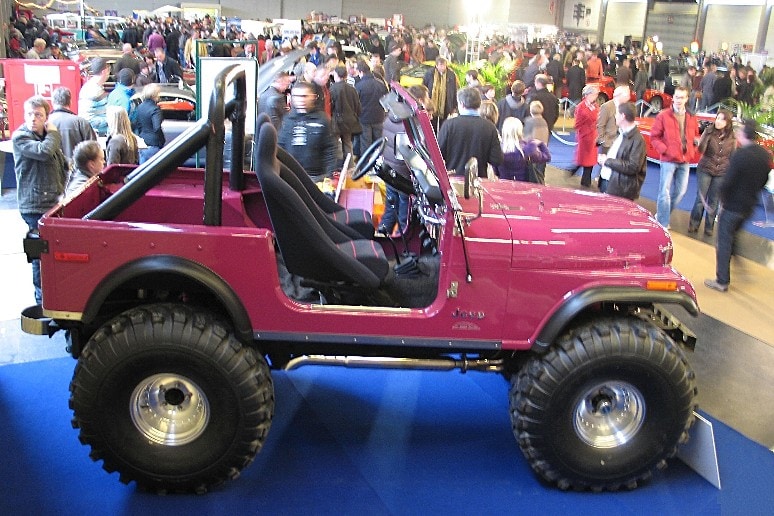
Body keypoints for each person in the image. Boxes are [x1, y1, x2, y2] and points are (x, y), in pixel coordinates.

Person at [12, 95, 69, 304]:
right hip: (34, 205)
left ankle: (52, 295)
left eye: (38, 114)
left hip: (52, 201)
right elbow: (44, 152)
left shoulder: (47, 137)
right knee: (40, 254)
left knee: (51, 253)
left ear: (46, 117)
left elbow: (60, 163)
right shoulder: (21, 137)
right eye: (29, 114)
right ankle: (41, 299)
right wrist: (53, 133)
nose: (33, 119)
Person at [704, 119, 771, 292]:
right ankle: (738, 264)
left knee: (724, 241)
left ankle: (722, 281)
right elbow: (764, 179)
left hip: (733, 205)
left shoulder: (740, 155)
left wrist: (722, 200)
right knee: (733, 235)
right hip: (749, 205)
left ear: (743, 134)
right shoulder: (764, 155)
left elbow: (728, 182)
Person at [650, 86, 699, 228]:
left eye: (682, 97)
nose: (679, 100)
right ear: (673, 97)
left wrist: (692, 149)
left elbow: (694, 136)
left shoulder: (691, 117)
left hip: (685, 160)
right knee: (664, 192)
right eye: (677, 97)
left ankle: (662, 215)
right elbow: (654, 137)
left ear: (686, 99)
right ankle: (663, 222)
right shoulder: (663, 115)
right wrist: (665, 150)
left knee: (680, 192)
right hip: (668, 159)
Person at [688, 108, 736, 236]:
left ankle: (709, 227)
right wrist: (706, 136)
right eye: (717, 118)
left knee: (714, 201)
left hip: (721, 172)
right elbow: (701, 150)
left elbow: (732, 156)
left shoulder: (732, 137)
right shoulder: (709, 132)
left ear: (728, 123)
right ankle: (694, 224)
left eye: (722, 119)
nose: (718, 121)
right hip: (705, 168)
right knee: (700, 199)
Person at [277, 81, 337, 183]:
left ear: (313, 97)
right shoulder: (288, 120)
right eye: (297, 96)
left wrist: (330, 175)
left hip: (316, 177)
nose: (301, 100)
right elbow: (280, 147)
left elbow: (330, 149)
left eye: (304, 96)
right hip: (292, 175)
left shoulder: (322, 120)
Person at [438, 87, 503, 177]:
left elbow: (438, 155)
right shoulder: (490, 127)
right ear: (479, 103)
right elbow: (497, 160)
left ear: (461, 104)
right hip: (478, 179)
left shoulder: (449, 125)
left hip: (453, 179)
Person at [597, 103, 647, 200]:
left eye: (617, 114)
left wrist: (607, 161)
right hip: (610, 183)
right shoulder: (621, 134)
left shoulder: (637, 140)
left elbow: (633, 167)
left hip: (620, 189)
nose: (615, 116)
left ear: (623, 116)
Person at [494, 117, 551, 182]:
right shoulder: (528, 149)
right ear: (520, 131)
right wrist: (540, 143)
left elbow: (496, 172)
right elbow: (547, 157)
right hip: (523, 186)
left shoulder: (498, 151)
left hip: (504, 185)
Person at [48, 87, 96, 161]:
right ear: (70, 102)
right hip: (77, 167)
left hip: (52, 167)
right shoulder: (82, 123)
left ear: (52, 102)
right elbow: (94, 150)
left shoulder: (45, 123)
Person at [329, 65, 362, 168]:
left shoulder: (332, 89)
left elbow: (330, 107)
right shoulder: (352, 89)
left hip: (336, 122)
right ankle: (350, 166)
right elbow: (358, 106)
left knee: (335, 146)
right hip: (349, 121)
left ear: (336, 75)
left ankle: (335, 167)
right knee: (348, 144)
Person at [354, 60, 388, 156]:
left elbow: (356, 103)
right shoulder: (381, 84)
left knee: (366, 144)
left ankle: (366, 163)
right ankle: (379, 161)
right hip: (379, 118)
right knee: (379, 143)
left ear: (361, 72)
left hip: (364, 119)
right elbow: (386, 100)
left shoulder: (359, 86)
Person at [572, 85, 600, 187]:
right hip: (585, 137)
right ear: (588, 95)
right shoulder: (581, 107)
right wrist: (584, 132)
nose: (596, 96)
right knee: (585, 159)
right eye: (594, 94)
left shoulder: (595, 106)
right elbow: (577, 124)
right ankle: (585, 181)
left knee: (590, 161)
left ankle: (585, 179)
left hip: (593, 136)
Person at [423, 56, 459, 131]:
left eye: (444, 65)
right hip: (432, 103)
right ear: (436, 65)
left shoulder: (451, 74)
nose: (443, 67)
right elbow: (424, 87)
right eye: (441, 65)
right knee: (432, 125)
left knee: (444, 126)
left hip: (446, 103)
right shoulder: (429, 73)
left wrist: (454, 106)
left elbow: (454, 90)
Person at [133, 83, 165, 164]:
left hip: (143, 142)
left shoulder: (140, 107)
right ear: (155, 95)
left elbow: (138, 125)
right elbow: (157, 127)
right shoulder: (155, 109)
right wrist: (162, 140)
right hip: (154, 143)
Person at [78, 57, 110, 136]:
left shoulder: (91, 86)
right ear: (104, 71)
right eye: (108, 70)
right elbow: (91, 118)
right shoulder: (95, 91)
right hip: (95, 132)